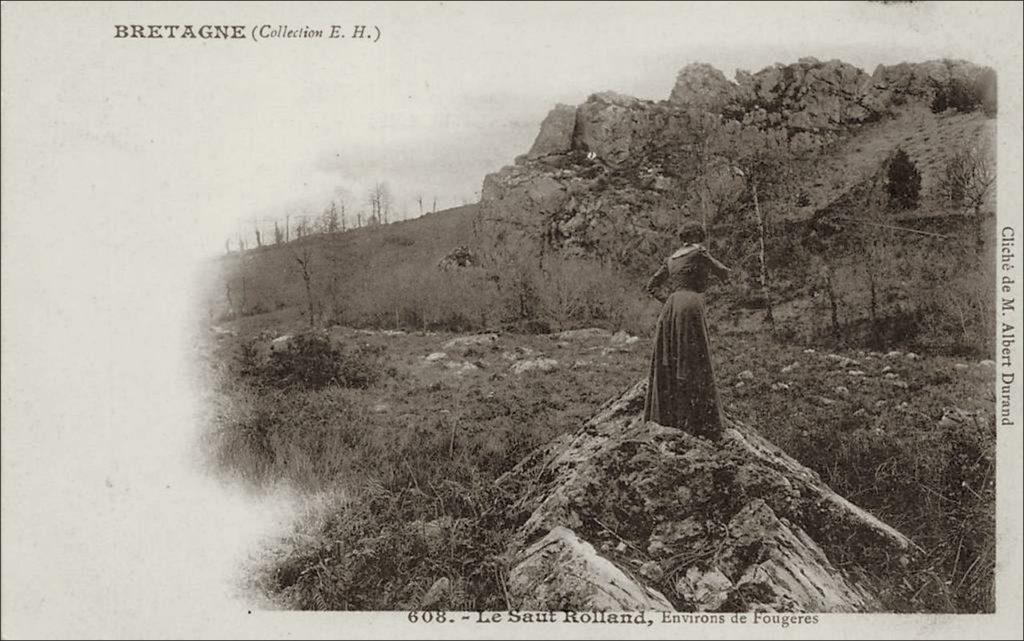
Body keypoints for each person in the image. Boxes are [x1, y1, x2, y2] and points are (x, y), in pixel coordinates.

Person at [643, 221, 731, 440]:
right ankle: (699, 421)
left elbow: (651, 286)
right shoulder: (699, 252)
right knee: (694, 358)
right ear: (698, 237)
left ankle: (672, 416)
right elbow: (723, 272)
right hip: (691, 305)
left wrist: (670, 300)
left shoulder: (671, 258)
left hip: (671, 307)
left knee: (673, 359)